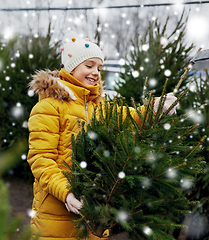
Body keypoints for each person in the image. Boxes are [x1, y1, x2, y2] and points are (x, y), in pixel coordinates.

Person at [27, 33, 178, 240]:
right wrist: (67, 193)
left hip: (95, 210)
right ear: (71, 67)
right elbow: (41, 160)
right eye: (89, 65)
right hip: (56, 211)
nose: (96, 73)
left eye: (99, 67)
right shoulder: (48, 107)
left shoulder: (98, 107)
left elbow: (127, 116)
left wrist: (154, 108)